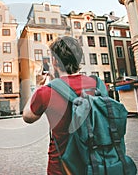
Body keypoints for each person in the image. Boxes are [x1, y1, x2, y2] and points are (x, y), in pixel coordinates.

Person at [22, 36, 97, 175]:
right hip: (97, 163)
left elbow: (27, 117)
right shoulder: (97, 84)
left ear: (55, 61)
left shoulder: (47, 92)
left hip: (62, 167)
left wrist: (38, 86)